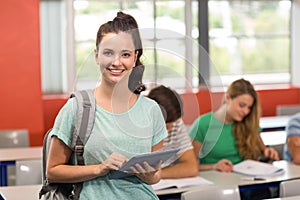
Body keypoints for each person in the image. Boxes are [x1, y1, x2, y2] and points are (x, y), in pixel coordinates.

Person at [46, 12, 168, 199]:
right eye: (108, 53)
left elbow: (156, 175)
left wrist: (149, 175)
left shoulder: (152, 110)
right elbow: (53, 171)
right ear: (97, 56)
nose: (116, 62)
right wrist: (99, 169)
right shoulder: (77, 108)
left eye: (125, 54)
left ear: (134, 58)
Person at [189, 78, 279, 173]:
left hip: (245, 180)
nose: (246, 111)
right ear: (228, 98)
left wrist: (267, 153)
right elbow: (190, 166)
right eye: (241, 105)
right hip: (216, 181)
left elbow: (262, 152)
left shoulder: (248, 123)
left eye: (249, 107)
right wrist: (214, 166)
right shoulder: (203, 124)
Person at [147, 85, 198, 179]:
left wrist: (155, 176)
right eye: (165, 124)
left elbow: (191, 167)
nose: (170, 129)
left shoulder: (176, 123)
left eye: (172, 123)